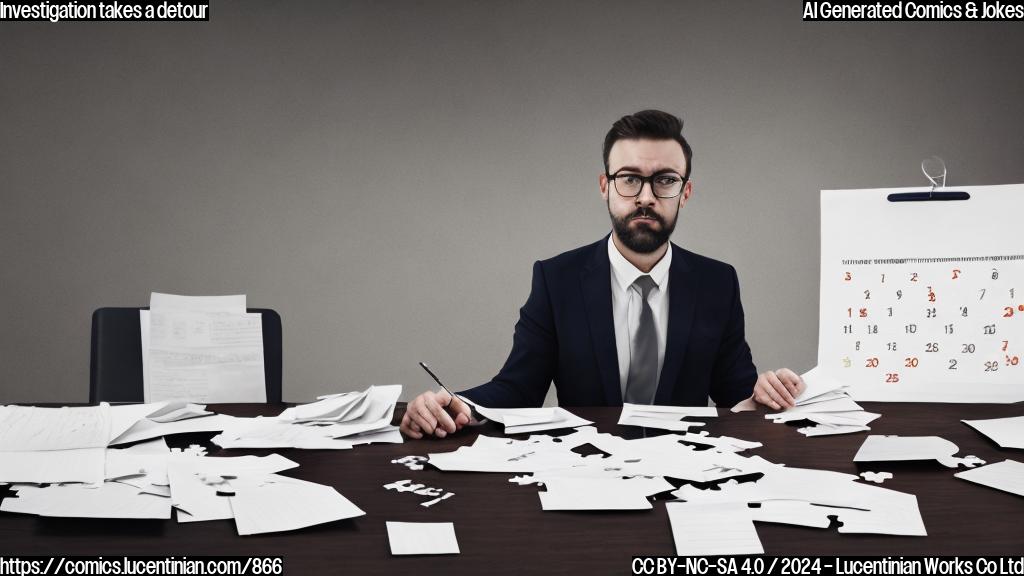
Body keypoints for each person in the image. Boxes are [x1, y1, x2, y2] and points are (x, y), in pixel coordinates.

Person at [401, 109, 804, 439]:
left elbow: (736, 396)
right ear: (604, 186)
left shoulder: (717, 283)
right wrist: (456, 405)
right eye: (629, 179)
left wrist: (765, 395)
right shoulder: (556, 280)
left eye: (664, 181)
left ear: (685, 192)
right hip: (585, 479)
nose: (646, 197)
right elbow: (518, 387)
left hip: (689, 481)